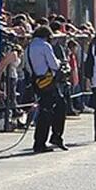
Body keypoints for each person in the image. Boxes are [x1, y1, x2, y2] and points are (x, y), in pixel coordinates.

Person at [27, 25, 68, 153]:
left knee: (44, 111)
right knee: (59, 107)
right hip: (48, 82)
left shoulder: (28, 48)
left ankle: (41, 141)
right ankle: (53, 137)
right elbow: (54, 65)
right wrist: (61, 64)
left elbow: (27, 67)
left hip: (37, 82)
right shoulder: (45, 46)